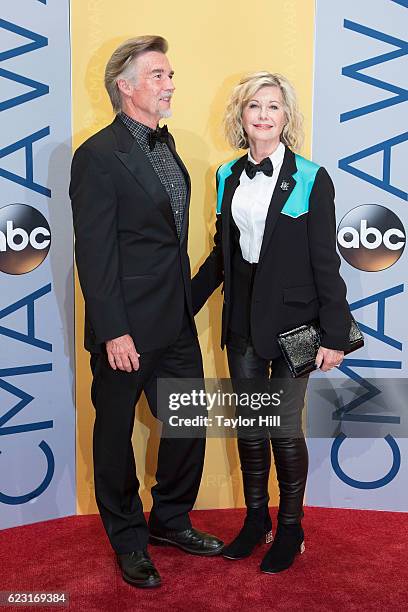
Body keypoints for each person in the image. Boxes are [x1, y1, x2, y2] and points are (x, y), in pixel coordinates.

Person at [70, 35, 223, 589]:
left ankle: (171, 521)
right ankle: (129, 540)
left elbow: (165, 241)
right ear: (125, 87)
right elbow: (95, 251)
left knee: (187, 422)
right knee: (113, 436)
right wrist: (113, 331)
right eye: (158, 74)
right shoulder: (96, 156)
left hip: (174, 319)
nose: (170, 83)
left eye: (170, 73)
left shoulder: (166, 145)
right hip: (126, 328)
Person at [192, 72, 351, 574]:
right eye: (254, 106)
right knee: (250, 429)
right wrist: (180, 307)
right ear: (241, 115)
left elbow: (326, 260)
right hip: (241, 322)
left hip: (296, 327)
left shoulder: (311, 176)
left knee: (282, 428)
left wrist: (334, 334)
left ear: (287, 117)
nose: (263, 114)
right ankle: (256, 519)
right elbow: (222, 257)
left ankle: (291, 526)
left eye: (274, 107)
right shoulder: (226, 176)